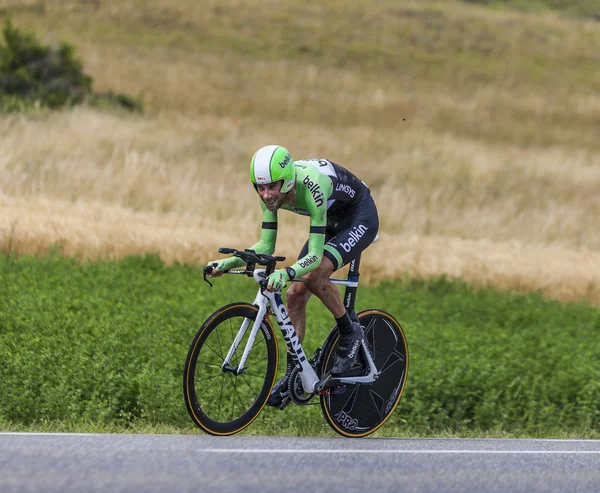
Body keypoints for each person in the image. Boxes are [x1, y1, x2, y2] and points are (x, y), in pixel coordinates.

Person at [206, 145, 379, 407]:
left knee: (313, 275)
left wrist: (287, 272)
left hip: (358, 216)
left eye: (272, 187)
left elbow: (312, 259)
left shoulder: (313, 188)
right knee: (294, 294)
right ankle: (292, 375)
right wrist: (227, 263)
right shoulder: (267, 194)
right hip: (331, 218)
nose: (266, 195)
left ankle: (349, 333)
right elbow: (265, 247)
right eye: (260, 188)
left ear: (287, 181)